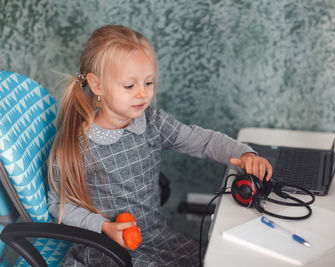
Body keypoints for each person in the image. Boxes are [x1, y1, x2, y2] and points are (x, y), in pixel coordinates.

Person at [47, 24, 272, 266]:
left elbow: (204, 141)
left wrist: (245, 153)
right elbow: (59, 205)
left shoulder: (153, 122)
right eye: (129, 86)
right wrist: (104, 226)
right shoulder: (76, 144)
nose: (142, 94)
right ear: (97, 85)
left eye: (148, 83)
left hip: (156, 238)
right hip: (106, 247)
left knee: (213, 259)